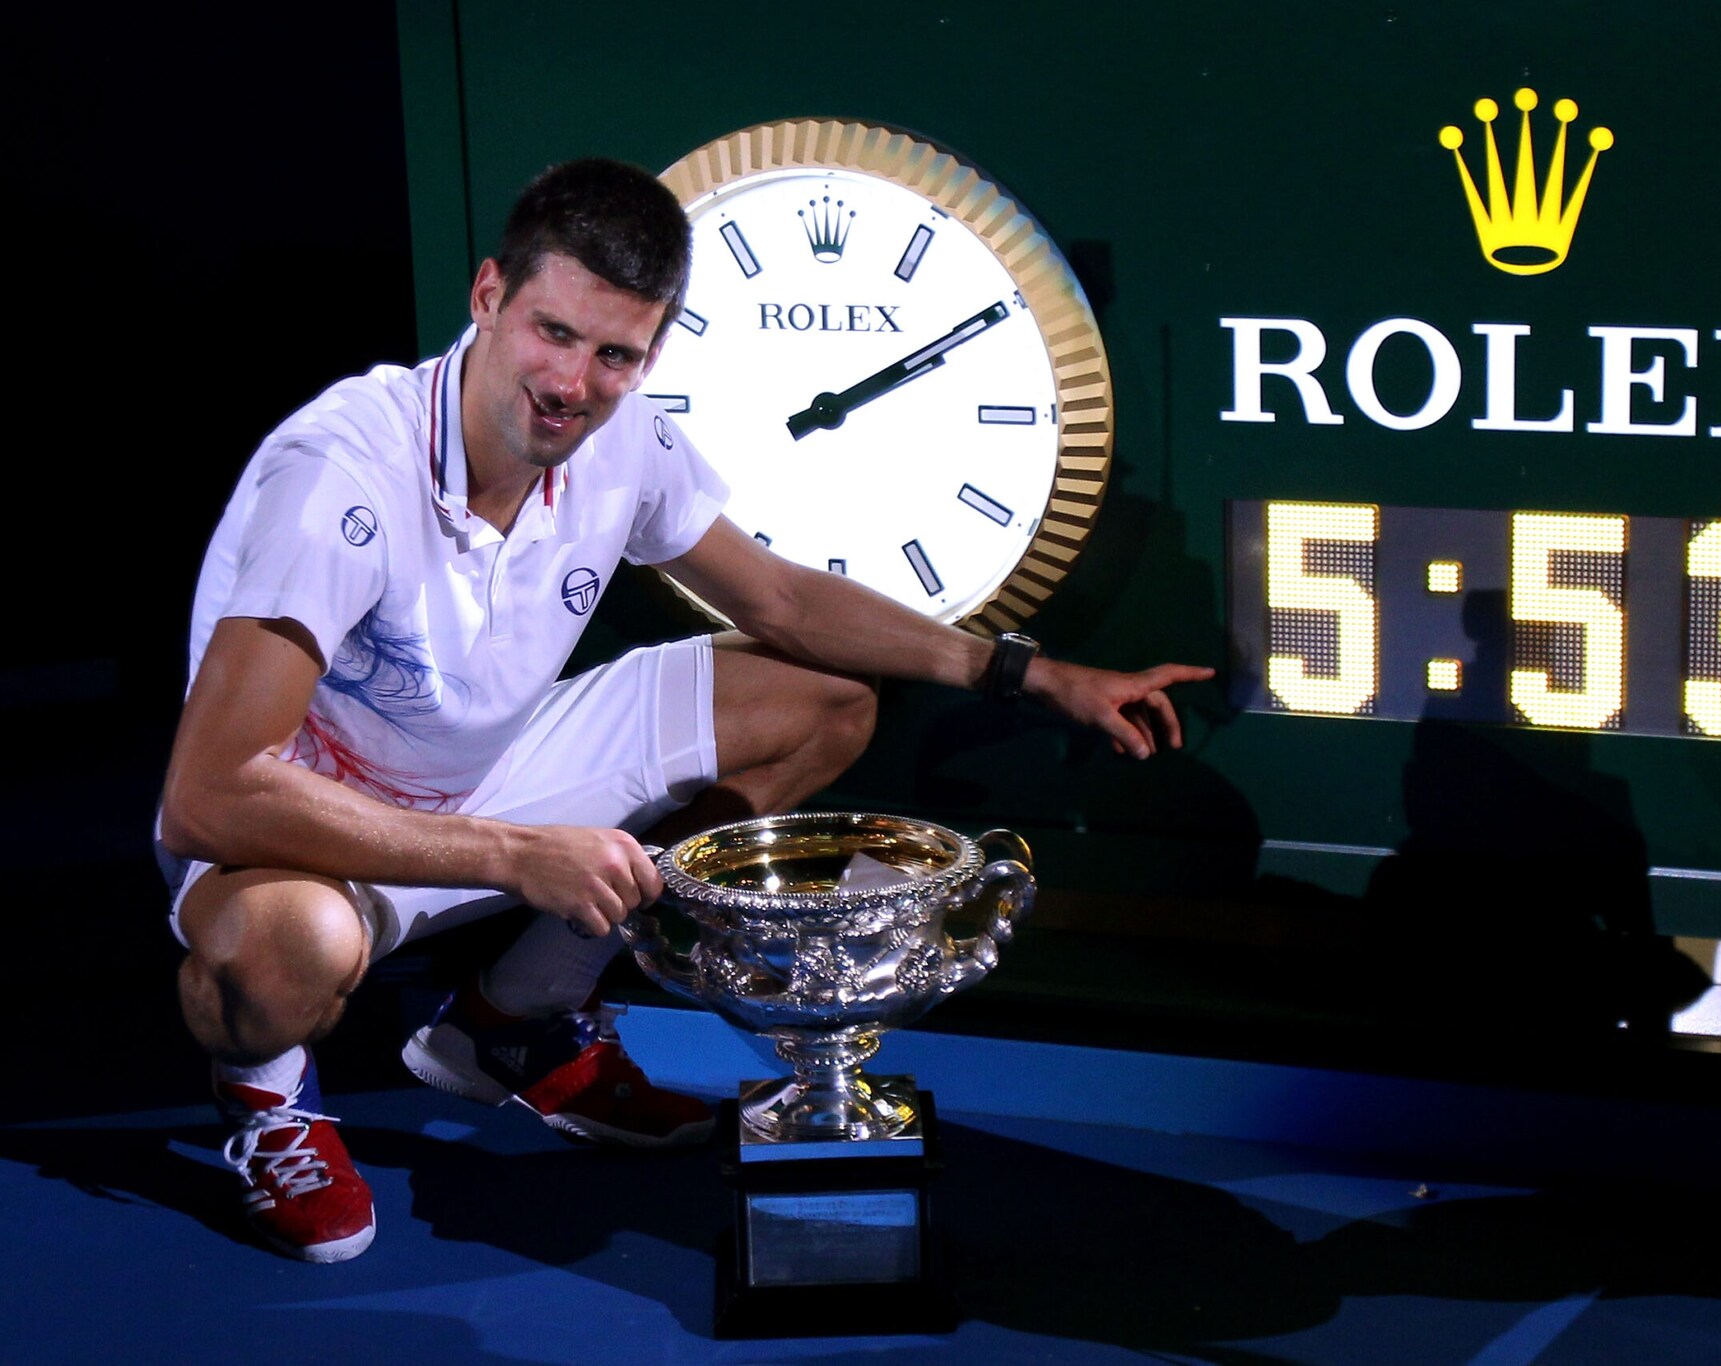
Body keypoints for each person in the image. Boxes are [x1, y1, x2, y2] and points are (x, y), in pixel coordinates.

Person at [155, 157, 1212, 1264]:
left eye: (615, 353)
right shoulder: (341, 478)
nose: (573, 382)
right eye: (552, 334)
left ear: (651, 352)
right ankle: (266, 1098)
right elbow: (207, 795)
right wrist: (517, 854)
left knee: (821, 702)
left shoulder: (624, 438)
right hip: (310, 833)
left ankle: (508, 1023)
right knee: (290, 952)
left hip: (495, 776)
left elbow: (784, 599)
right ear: (487, 298)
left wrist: (1031, 673)